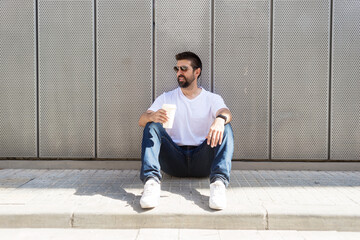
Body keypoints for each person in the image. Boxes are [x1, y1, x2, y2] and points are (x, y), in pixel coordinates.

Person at [138, 51, 234, 210]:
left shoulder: (211, 98)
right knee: (151, 125)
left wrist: (219, 119)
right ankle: (151, 183)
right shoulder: (166, 97)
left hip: (203, 160)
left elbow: (226, 112)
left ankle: (218, 184)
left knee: (225, 126)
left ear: (197, 72)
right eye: (177, 69)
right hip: (173, 160)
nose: (179, 73)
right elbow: (142, 120)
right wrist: (152, 116)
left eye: (184, 68)